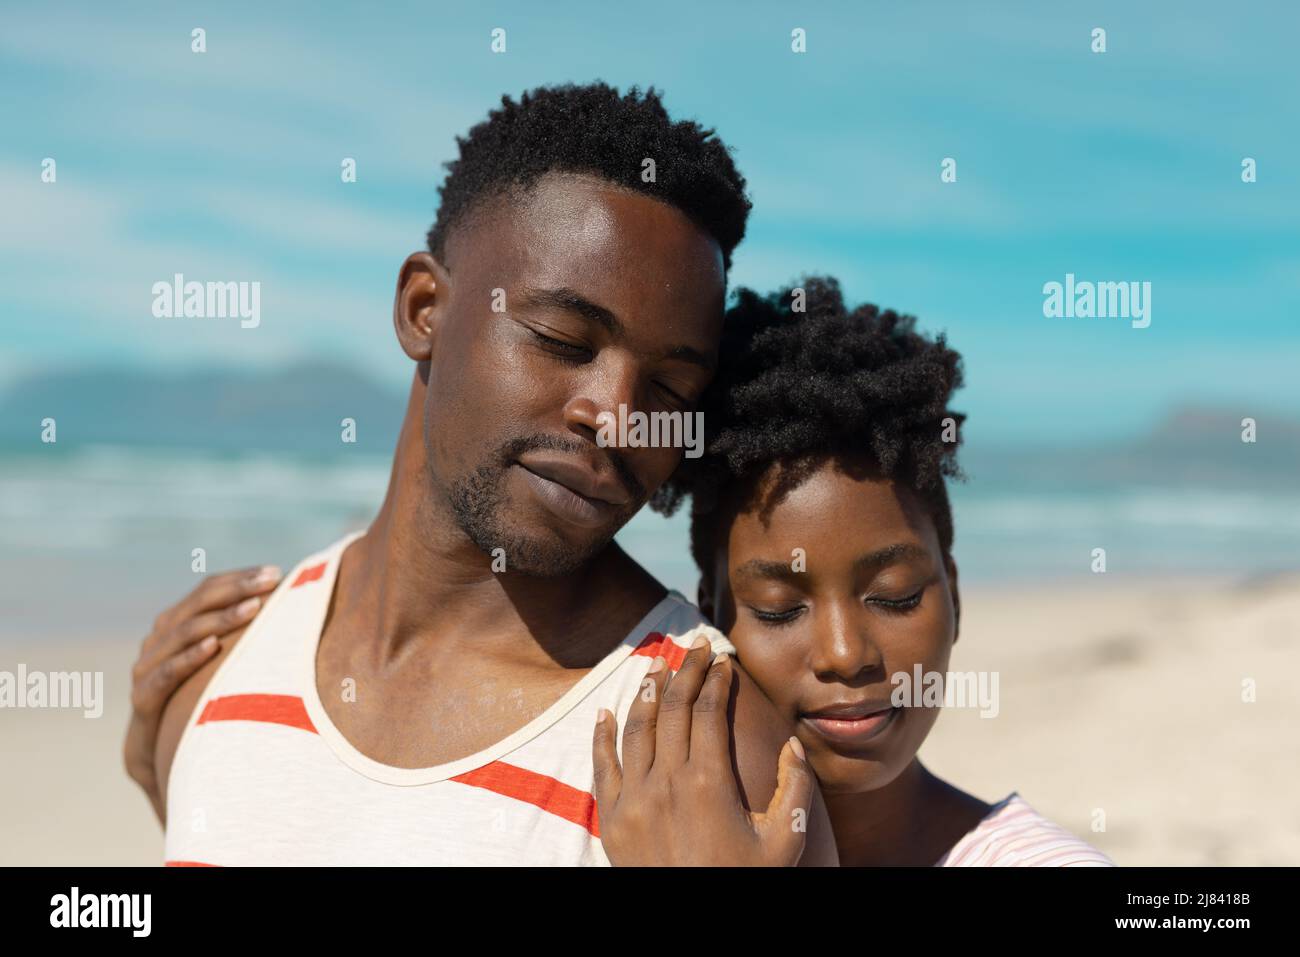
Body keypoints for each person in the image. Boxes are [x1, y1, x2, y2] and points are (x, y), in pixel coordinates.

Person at [123, 82, 838, 866]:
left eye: (670, 389)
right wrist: (162, 758)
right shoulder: (218, 668)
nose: (619, 416)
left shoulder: (701, 759)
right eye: (563, 338)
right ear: (424, 308)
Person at [591, 277, 1115, 866]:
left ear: (955, 597)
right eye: (779, 608)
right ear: (712, 616)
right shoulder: (629, 831)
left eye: (895, 596)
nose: (844, 654)